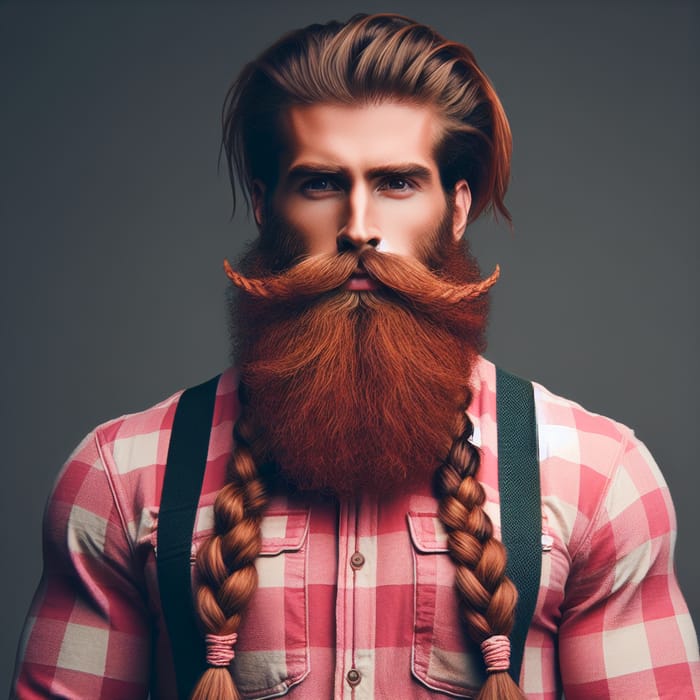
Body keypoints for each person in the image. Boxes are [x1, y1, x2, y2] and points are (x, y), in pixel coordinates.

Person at [10, 12, 699, 700]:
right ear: (263, 204)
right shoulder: (117, 478)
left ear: (456, 209)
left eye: (397, 182)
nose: (359, 228)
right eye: (320, 184)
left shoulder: (603, 481)